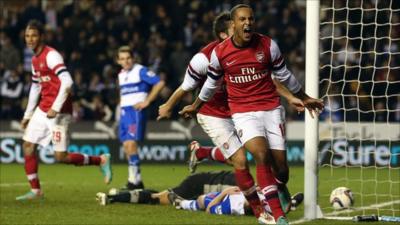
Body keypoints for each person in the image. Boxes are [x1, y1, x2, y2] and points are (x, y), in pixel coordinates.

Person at [179, 4, 324, 225]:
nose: (248, 23)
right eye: (242, 20)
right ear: (234, 24)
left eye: (251, 19)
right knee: (260, 154)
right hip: (243, 112)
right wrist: (196, 105)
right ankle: (278, 216)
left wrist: (303, 97)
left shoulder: (267, 45)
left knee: (282, 170)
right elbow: (210, 84)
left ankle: (278, 187)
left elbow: (284, 75)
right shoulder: (221, 53)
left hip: (271, 109)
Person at [17, 20, 112, 201]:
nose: (30, 39)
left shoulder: (51, 56)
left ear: (42, 37)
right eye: (27, 36)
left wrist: (55, 107)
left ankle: (101, 160)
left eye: (34, 35)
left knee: (61, 156)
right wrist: (27, 115)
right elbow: (35, 87)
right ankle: (36, 191)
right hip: (43, 108)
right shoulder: (34, 59)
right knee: (28, 145)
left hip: (60, 112)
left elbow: (68, 82)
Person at [116, 45, 165, 190]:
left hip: (135, 113)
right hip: (125, 112)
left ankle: (133, 181)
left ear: (133, 58)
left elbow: (159, 82)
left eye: (128, 58)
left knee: (131, 144)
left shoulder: (140, 70)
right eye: (123, 59)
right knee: (126, 146)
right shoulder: (121, 75)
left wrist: (147, 101)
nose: (126, 61)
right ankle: (136, 180)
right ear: (118, 61)